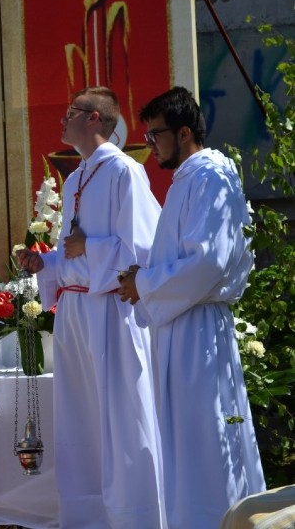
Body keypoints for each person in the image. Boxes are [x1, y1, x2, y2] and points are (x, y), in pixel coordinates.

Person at [16, 86, 165, 528]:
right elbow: (73, 256)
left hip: (112, 313)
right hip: (77, 315)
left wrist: (87, 248)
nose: (62, 120)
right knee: (80, 422)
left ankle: (135, 517)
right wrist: (46, 261)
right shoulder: (78, 177)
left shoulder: (124, 172)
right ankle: (87, 518)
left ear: (96, 118)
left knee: (121, 418)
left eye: (71, 112)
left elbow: (143, 250)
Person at [117, 86, 265, 528]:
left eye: (156, 134)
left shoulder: (210, 177)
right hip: (181, 328)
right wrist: (142, 279)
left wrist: (144, 284)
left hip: (199, 335)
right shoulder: (189, 179)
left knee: (206, 440)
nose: (151, 144)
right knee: (186, 444)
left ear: (183, 133)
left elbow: (209, 261)